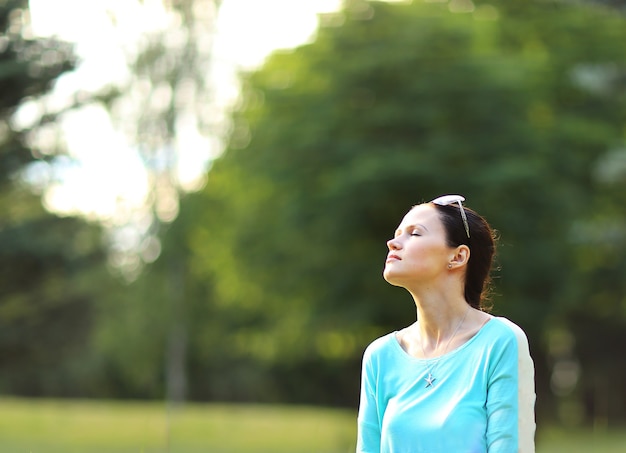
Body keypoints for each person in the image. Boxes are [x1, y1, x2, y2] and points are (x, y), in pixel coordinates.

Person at [356, 195, 535, 453]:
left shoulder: (499, 341)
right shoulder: (380, 356)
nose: (393, 243)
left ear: (458, 256)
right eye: (397, 234)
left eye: (414, 234)